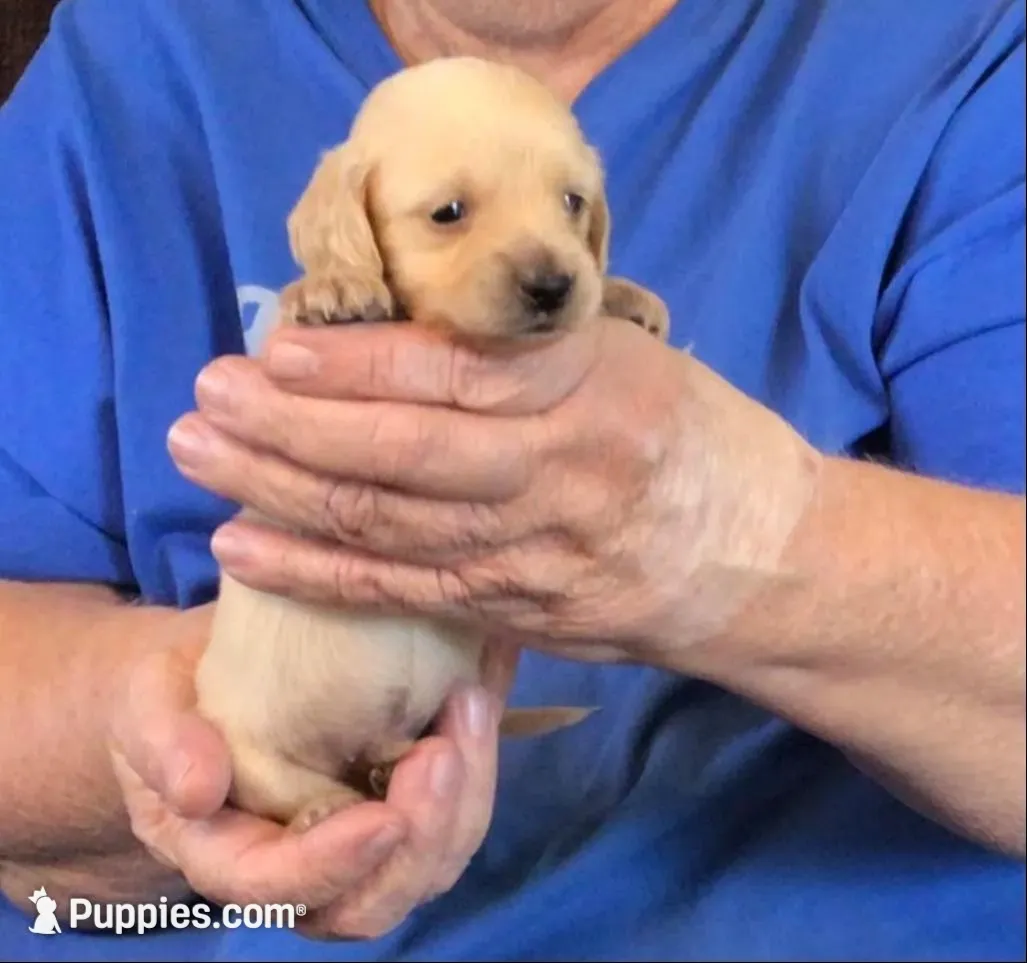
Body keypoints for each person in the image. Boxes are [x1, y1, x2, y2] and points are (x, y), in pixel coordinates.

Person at [0, 0, 1024, 959]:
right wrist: (187, 733)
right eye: (448, 213)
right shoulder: (143, 49)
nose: (540, 263)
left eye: (569, 204)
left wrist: (749, 535)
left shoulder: (948, 52)